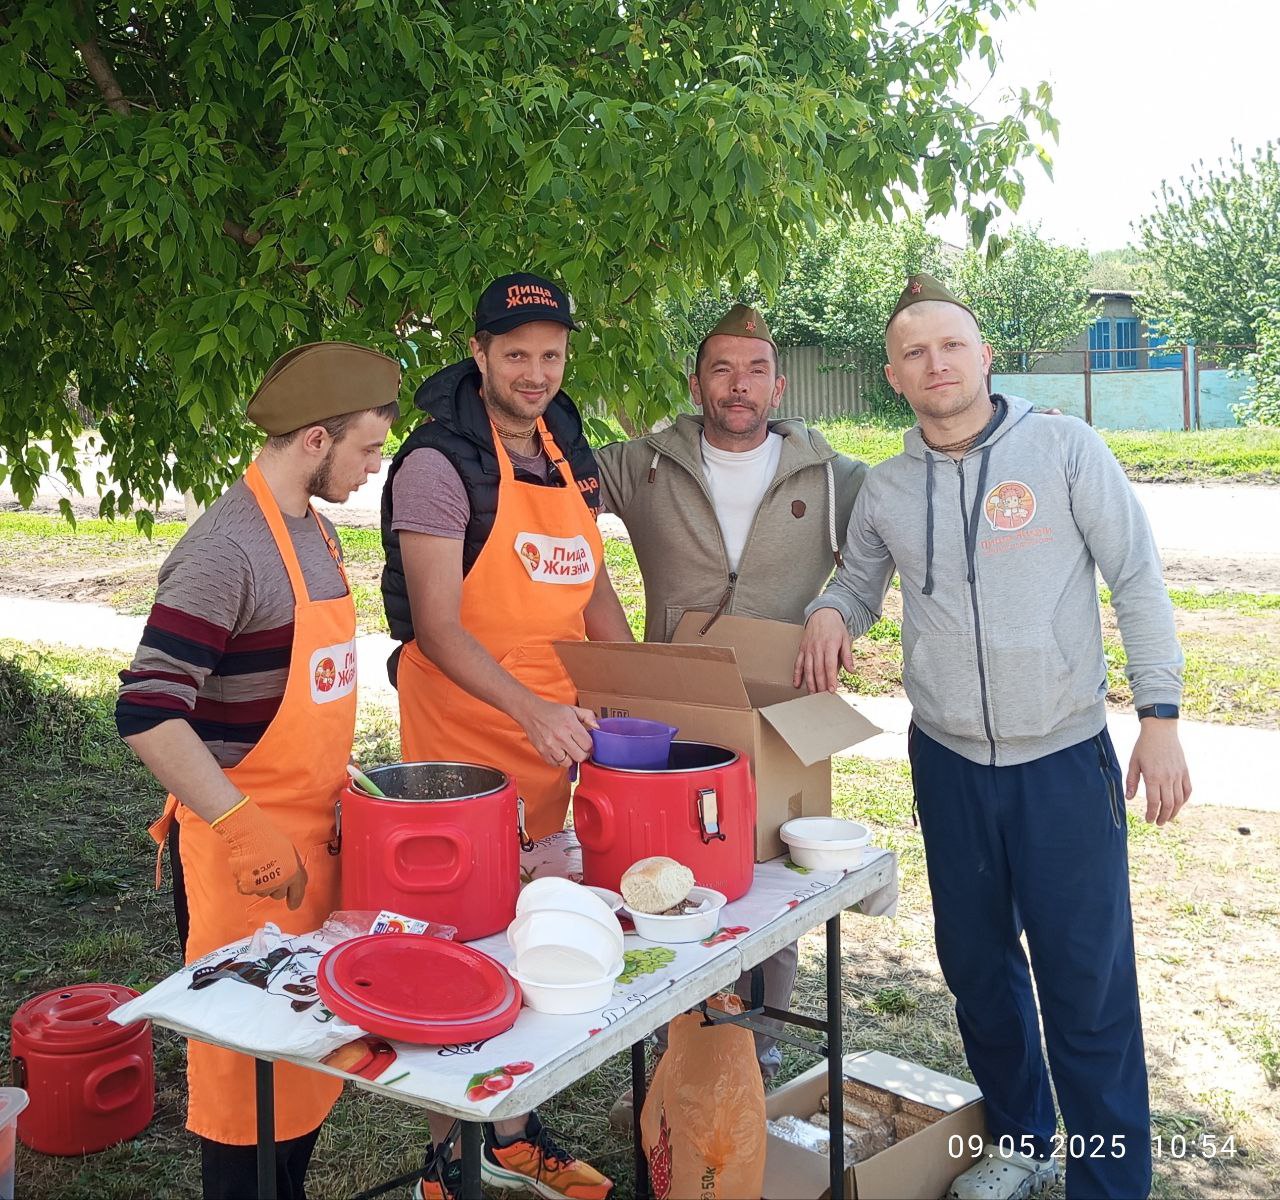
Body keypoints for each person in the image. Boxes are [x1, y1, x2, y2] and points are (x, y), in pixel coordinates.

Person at [795, 274, 1192, 1200]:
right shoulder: (887, 488)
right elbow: (857, 584)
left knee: (1085, 985)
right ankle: (1020, 1134)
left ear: (984, 355)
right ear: (893, 375)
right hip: (949, 760)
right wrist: (828, 611)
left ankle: (1110, 1182)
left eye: (952, 345)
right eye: (914, 352)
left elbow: (1136, 578)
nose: (936, 363)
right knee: (977, 968)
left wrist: (1160, 718)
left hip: (1061, 758)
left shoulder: (1062, 449)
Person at [116, 342, 401, 1200]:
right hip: (244, 867)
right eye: (367, 448)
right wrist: (243, 827)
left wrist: (341, 774)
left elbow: (282, 685)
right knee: (246, 1097)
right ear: (315, 439)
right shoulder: (225, 550)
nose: (373, 467)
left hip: (316, 845)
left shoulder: (315, 530)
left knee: (306, 1065)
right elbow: (148, 710)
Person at [381, 272, 628, 1200]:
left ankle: (516, 1136)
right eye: (515, 354)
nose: (535, 373)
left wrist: (634, 686)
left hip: (555, 754)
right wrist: (533, 712)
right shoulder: (439, 466)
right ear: (478, 352)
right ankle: (449, 1160)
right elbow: (439, 626)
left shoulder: (569, 450)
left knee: (536, 954)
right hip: (460, 762)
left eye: (551, 355)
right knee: (458, 958)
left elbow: (593, 589)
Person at [594, 303, 867, 1128]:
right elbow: (547, 485)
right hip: (671, 709)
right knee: (662, 875)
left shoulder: (834, 476)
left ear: (778, 384)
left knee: (772, 883)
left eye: (754, 370)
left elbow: (881, 554)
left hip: (784, 711)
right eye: (721, 370)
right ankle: (675, 1056)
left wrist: (840, 613)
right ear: (695, 383)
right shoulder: (641, 464)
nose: (738, 386)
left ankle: (756, 1047)